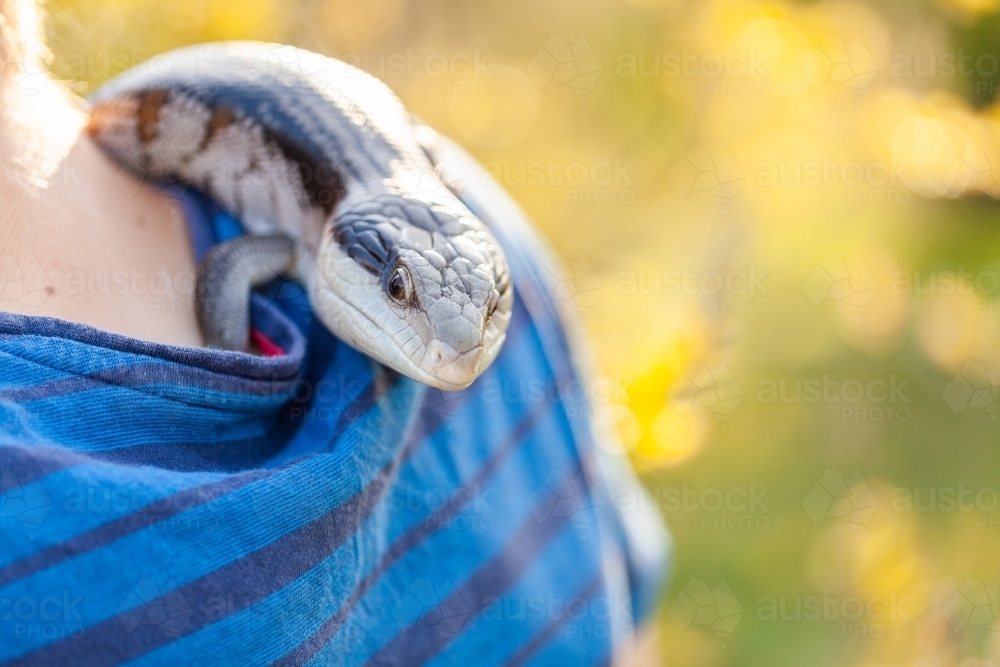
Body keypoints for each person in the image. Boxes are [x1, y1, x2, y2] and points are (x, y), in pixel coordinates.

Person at [0, 0, 670, 664]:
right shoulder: (483, 211)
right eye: (398, 293)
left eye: (490, 306)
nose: (455, 350)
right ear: (343, 249)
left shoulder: (475, 230)